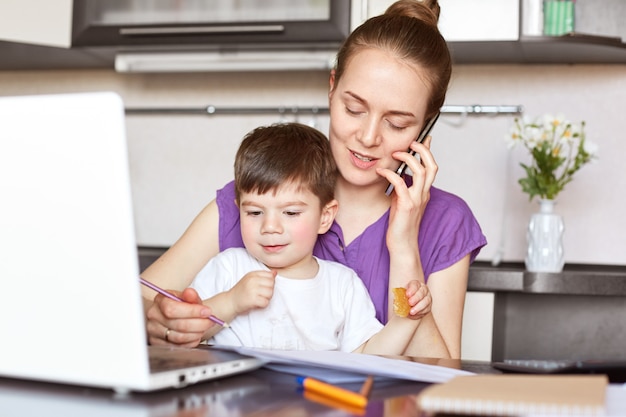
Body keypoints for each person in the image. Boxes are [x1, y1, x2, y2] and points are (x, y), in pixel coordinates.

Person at [141, 0, 487, 358]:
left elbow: (441, 377)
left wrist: (404, 246)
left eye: (396, 123)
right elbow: (142, 299)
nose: (368, 137)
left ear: (427, 123)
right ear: (332, 87)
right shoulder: (258, 197)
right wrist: (160, 321)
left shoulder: (447, 221)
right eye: (353, 108)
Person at [189, 123, 430, 354]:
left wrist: (407, 321)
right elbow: (185, 332)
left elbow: (367, 357)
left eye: (291, 213)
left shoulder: (342, 285)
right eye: (254, 212)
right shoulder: (229, 268)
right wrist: (231, 303)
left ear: (325, 217)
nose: (270, 227)